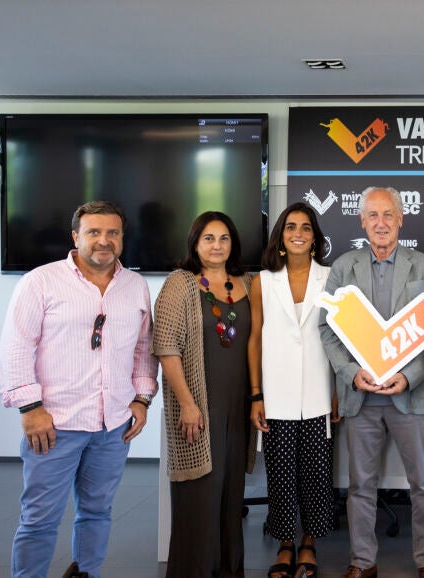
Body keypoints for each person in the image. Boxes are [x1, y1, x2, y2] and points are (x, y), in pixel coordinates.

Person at [0, 201, 159, 578]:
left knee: (97, 511)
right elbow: (16, 346)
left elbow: (142, 348)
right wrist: (30, 408)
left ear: (122, 237)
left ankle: (86, 572)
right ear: (76, 237)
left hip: (113, 426)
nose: (104, 240)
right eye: (94, 232)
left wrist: (142, 398)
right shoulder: (40, 281)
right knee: (40, 518)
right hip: (54, 425)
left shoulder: (135, 286)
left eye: (113, 233)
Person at [320, 187, 424, 578]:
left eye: (388, 214)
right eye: (372, 215)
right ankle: (362, 561)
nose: (381, 223)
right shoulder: (344, 267)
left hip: (412, 396)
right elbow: (327, 329)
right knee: (360, 486)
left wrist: (409, 377)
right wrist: (350, 373)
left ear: (401, 218)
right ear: (362, 222)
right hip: (362, 396)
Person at [154, 211, 256, 578]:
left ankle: (228, 571)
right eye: (208, 238)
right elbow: (166, 347)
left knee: (230, 498)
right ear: (195, 243)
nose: (217, 245)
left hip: (238, 407)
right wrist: (187, 404)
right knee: (200, 496)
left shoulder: (247, 282)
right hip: (198, 406)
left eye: (224, 238)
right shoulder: (179, 284)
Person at [249, 202, 338, 578]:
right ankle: (285, 543)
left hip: (319, 389)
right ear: (280, 236)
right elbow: (255, 338)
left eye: (305, 227)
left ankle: (309, 543)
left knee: (317, 474)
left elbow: (340, 337)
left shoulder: (332, 278)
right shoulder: (263, 281)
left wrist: (337, 389)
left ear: (315, 237)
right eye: (290, 227)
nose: (298, 233)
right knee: (281, 473)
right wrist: (256, 394)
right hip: (276, 392)